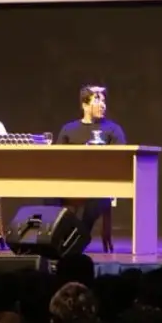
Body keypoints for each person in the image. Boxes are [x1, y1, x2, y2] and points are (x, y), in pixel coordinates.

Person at [55, 85, 125, 247]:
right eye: (97, 100)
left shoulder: (113, 130)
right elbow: (58, 159)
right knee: (48, 196)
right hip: (72, 183)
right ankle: (53, 238)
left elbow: (120, 159)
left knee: (97, 201)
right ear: (85, 105)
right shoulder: (69, 129)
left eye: (104, 101)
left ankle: (77, 240)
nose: (103, 105)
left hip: (101, 185)